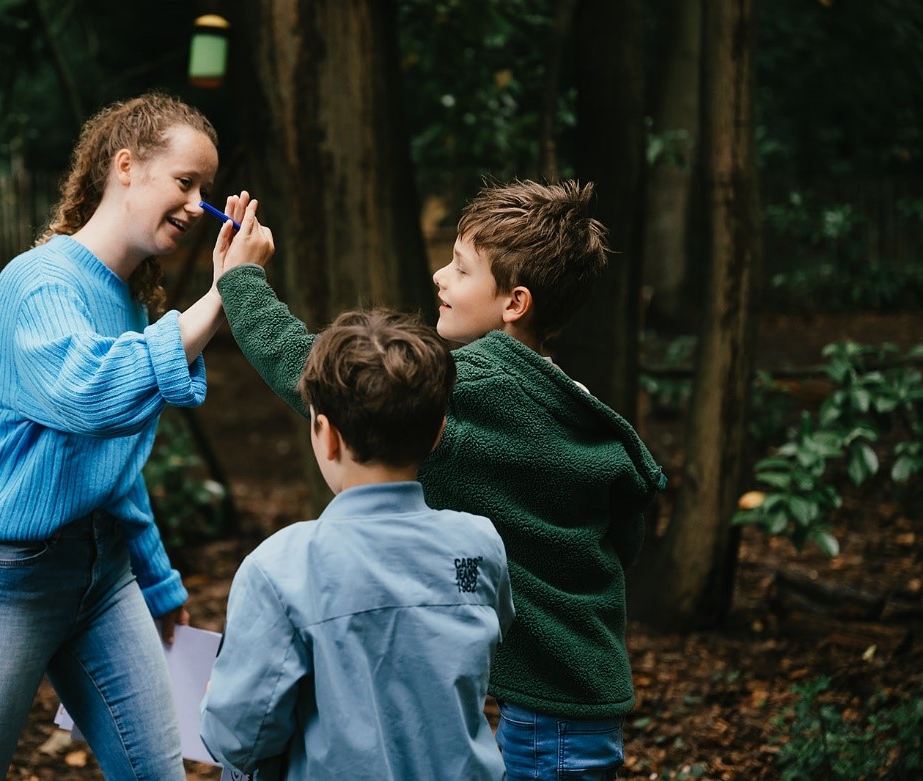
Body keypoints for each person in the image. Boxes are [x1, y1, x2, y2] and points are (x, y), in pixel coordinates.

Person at [212, 180, 666, 780]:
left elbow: (322, 374)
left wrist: (242, 281)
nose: (439, 276)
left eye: (460, 267)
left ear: (515, 303)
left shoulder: (474, 387)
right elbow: (626, 533)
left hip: (546, 724)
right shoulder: (566, 397)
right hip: (581, 702)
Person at [0, 92, 274, 781]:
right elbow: (87, 395)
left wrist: (157, 578)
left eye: (205, 190)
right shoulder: (38, 284)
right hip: (5, 580)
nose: (198, 205)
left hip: (105, 578)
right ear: (125, 166)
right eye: (185, 182)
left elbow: (111, 467)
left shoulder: (128, 298)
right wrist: (227, 290)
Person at [199, 309, 514, 780]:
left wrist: (215, 701)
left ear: (327, 436)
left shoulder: (281, 567)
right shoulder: (479, 544)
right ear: (437, 434)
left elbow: (238, 739)